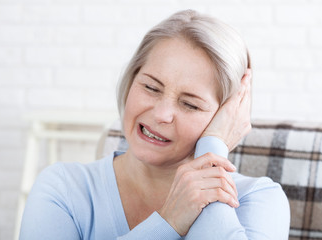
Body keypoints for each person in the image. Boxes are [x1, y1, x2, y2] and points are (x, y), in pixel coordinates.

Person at [19, 9, 290, 240]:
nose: (161, 114)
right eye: (150, 87)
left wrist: (212, 153)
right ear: (130, 81)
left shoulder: (260, 200)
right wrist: (169, 221)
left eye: (190, 104)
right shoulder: (63, 188)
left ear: (226, 116)